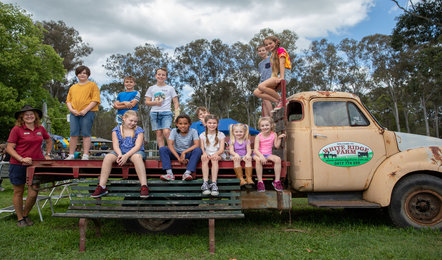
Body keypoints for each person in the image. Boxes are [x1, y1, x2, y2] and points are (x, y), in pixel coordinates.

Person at [6, 105, 52, 227]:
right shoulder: (17, 129)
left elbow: (49, 140)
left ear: (35, 116)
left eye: (31, 114)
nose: (29, 116)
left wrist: (47, 154)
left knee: (33, 192)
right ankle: (20, 219)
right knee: (18, 191)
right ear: (22, 117)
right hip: (18, 164)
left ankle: (25, 214)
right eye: (26, 114)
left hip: (36, 165)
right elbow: (9, 148)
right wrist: (21, 159)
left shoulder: (40, 129)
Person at [91, 110, 149, 198]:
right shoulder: (116, 130)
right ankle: (102, 186)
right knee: (108, 157)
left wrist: (126, 156)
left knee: (137, 157)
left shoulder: (139, 130)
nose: (133, 123)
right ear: (124, 119)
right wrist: (120, 155)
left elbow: (137, 146)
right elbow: (116, 146)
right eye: (131, 121)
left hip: (135, 152)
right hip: (120, 151)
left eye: (135, 121)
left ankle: (144, 186)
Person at [65, 65, 101, 160]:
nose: (82, 75)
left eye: (84, 73)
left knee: (86, 133)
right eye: (80, 73)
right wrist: (72, 110)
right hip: (74, 113)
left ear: (88, 75)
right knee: (73, 134)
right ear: (77, 75)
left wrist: (85, 110)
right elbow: (68, 101)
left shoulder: (93, 85)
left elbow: (95, 100)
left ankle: (85, 155)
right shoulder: (73, 87)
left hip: (88, 112)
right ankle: (71, 155)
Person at [253, 36, 292, 117]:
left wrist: (281, 77)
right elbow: (274, 69)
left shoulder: (280, 50)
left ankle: (282, 100)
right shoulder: (273, 55)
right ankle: (277, 101)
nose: (268, 46)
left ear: (276, 42)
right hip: (276, 76)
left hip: (284, 74)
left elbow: (282, 63)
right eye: (266, 45)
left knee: (261, 86)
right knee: (256, 92)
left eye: (270, 43)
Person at [159, 114, 202, 181]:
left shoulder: (193, 131)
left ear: (189, 124)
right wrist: (179, 158)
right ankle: (169, 174)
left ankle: (187, 173)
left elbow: (196, 144)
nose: (183, 126)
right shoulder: (174, 131)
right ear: (177, 124)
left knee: (198, 150)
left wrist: (184, 152)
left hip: (188, 154)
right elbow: (170, 145)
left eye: (185, 123)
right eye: (180, 124)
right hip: (176, 154)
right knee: (163, 149)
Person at [145, 68, 180, 148]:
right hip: (154, 113)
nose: (161, 76)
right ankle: (162, 152)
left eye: (163, 75)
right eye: (159, 74)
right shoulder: (151, 88)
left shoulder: (170, 88)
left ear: (166, 77)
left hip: (166, 113)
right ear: (155, 76)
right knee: (158, 133)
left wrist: (177, 115)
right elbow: (147, 102)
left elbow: (175, 102)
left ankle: (172, 150)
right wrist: (156, 103)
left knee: (167, 132)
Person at [253, 117, 285, 192]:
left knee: (278, 159)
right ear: (260, 127)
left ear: (271, 125)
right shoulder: (258, 136)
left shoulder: (274, 134)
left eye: (267, 125)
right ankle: (260, 182)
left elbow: (276, 146)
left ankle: (277, 181)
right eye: (263, 126)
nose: (265, 127)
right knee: (258, 160)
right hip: (258, 154)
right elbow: (255, 149)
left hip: (268, 154)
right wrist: (261, 156)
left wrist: (279, 138)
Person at [200, 115, 225, 196]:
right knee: (204, 159)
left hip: (218, 154)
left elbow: (221, 150)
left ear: (217, 124)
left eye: (214, 123)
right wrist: (204, 153)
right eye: (209, 123)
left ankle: (214, 184)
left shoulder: (221, 134)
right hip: (207, 153)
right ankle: (205, 183)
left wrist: (215, 154)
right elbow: (202, 148)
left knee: (214, 159)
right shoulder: (202, 135)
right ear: (206, 124)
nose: (212, 125)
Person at [229, 123, 253, 188]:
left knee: (248, 159)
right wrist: (235, 154)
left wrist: (248, 155)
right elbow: (231, 151)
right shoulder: (232, 140)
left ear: (244, 132)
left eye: (241, 132)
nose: (238, 133)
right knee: (236, 160)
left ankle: (249, 178)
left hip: (244, 155)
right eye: (236, 132)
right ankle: (241, 179)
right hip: (235, 155)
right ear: (233, 132)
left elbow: (249, 150)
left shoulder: (246, 140)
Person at [257, 44, 273, 117]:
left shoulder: (271, 58)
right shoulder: (260, 64)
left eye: (263, 50)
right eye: (259, 51)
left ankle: (272, 115)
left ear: (267, 51)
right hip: (262, 83)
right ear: (258, 53)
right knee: (264, 101)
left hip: (270, 81)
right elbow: (262, 74)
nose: (261, 52)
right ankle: (266, 118)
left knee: (266, 99)